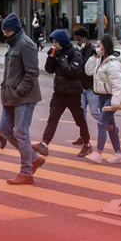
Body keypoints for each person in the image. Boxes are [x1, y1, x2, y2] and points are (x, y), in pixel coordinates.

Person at [0, 14, 44, 185]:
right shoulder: (14, 44)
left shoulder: (26, 45)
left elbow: (32, 72)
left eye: (7, 31)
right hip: (10, 97)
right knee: (4, 129)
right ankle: (33, 158)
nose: (5, 34)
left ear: (15, 30)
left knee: (21, 133)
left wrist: (20, 91)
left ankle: (26, 171)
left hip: (24, 97)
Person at [34, 29, 91, 158]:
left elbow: (73, 71)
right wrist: (51, 58)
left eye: (56, 42)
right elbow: (49, 69)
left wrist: (61, 59)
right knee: (53, 118)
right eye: (53, 42)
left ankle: (87, 143)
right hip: (59, 92)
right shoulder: (58, 54)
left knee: (79, 119)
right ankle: (45, 143)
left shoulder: (74, 53)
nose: (55, 45)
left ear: (62, 41)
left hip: (73, 93)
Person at [84, 35, 121, 165]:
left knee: (102, 122)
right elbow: (88, 71)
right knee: (110, 126)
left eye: (99, 46)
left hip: (110, 97)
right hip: (101, 95)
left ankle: (98, 153)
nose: (97, 48)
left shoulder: (113, 64)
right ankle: (118, 153)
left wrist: (115, 100)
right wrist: (94, 57)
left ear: (105, 47)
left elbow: (117, 84)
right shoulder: (100, 61)